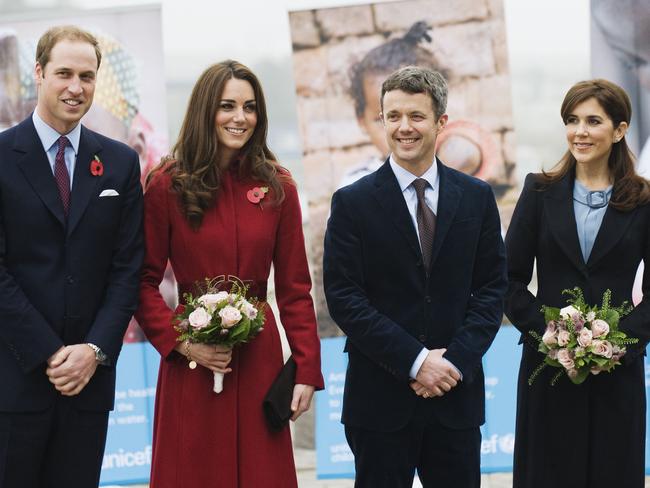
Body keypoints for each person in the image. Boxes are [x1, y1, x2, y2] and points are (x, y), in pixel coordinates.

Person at [136, 60, 324, 488]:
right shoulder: (167, 184)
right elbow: (142, 281)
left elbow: (296, 290)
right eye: (227, 106)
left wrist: (307, 370)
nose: (240, 117)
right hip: (191, 358)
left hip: (259, 359)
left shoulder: (279, 186)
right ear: (206, 110)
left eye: (250, 107)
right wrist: (183, 343)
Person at [323, 65, 507, 488]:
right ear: (382, 120)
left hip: (454, 396)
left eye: (417, 116)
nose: (404, 127)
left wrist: (452, 362)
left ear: (441, 122)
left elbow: (492, 288)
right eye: (393, 116)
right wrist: (416, 361)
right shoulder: (352, 203)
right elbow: (344, 297)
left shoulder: (476, 198)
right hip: (379, 400)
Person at [0, 25, 143, 488]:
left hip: (88, 384)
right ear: (38, 73)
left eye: (87, 75)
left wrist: (94, 351)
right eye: (64, 73)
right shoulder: (2, 156)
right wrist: (50, 352)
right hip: (14, 381)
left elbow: (127, 269)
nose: (76, 87)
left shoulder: (120, 163)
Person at [505, 79, 650, 488]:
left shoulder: (644, 201)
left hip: (617, 371)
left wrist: (617, 343)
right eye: (572, 120)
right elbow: (508, 280)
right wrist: (551, 335)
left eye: (592, 121)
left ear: (620, 130)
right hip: (546, 370)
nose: (579, 132)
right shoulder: (538, 191)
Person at [340, 20, 500, 188]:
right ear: (362, 122)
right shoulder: (355, 183)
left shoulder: (447, 162)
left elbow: (470, 155)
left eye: (417, 115)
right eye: (388, 118)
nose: (404, 129)